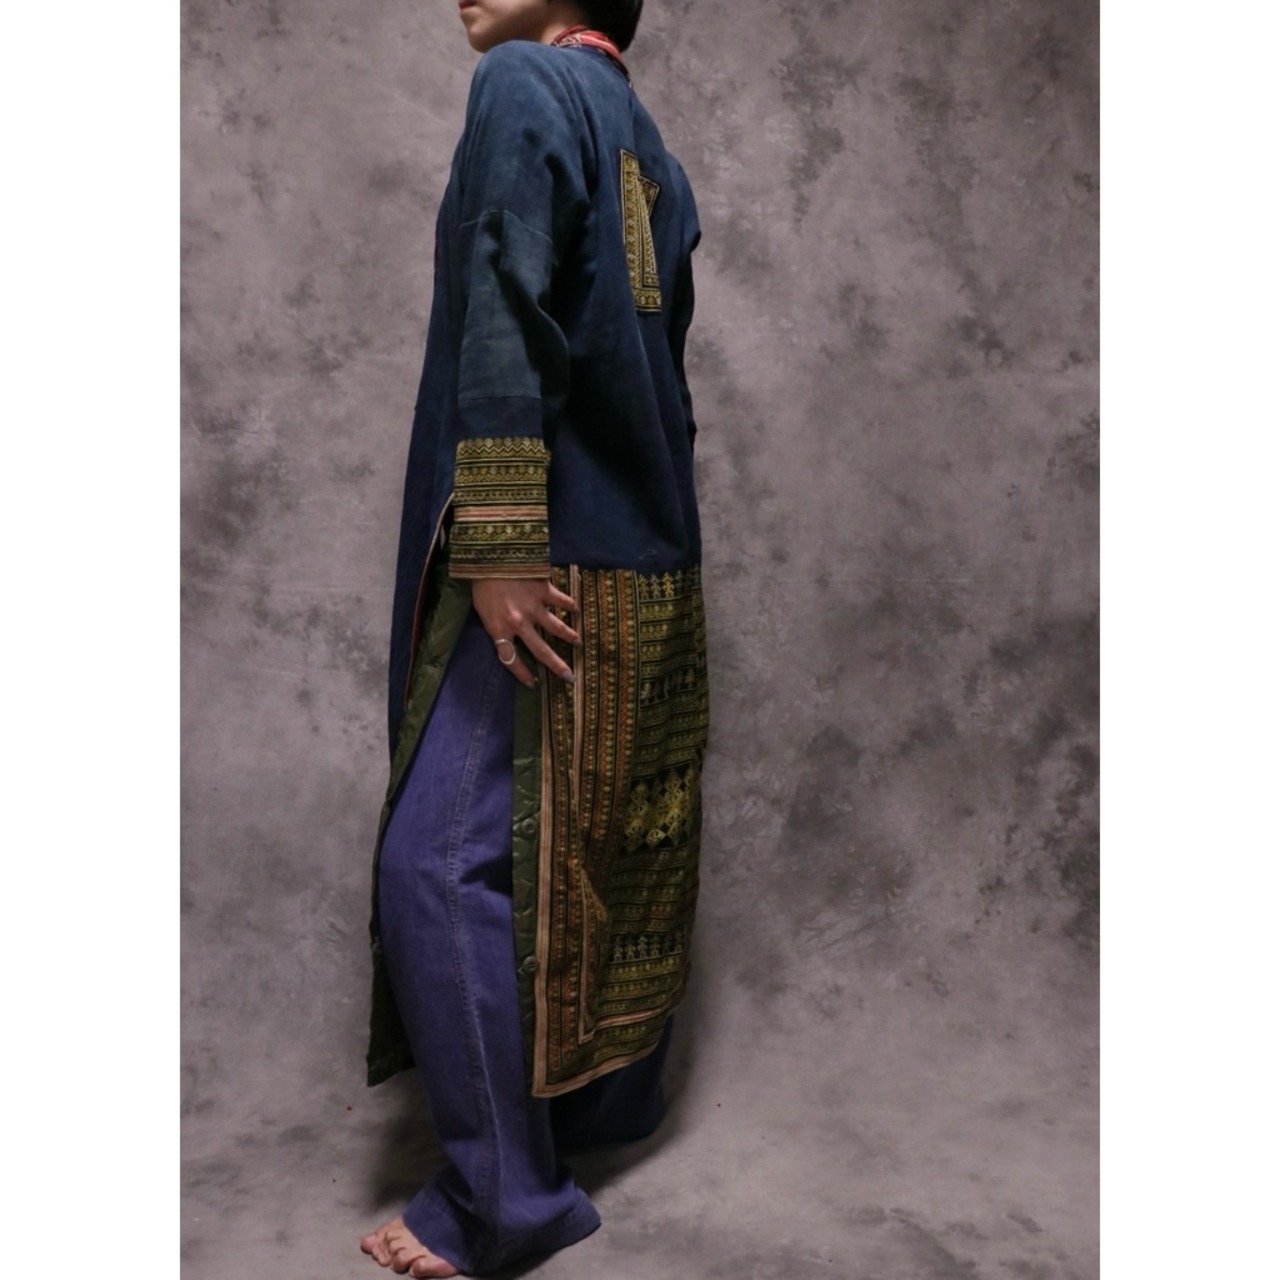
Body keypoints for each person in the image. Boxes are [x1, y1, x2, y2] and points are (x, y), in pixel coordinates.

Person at [360, 0, 707, 1274]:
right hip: (643, 552)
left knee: (439, 860)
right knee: (589, 851)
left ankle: (506, 1199)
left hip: (547, 560)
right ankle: (594, 1112)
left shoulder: (522, 80)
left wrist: (501, 534)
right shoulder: (646, 139)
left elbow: (507, 297)